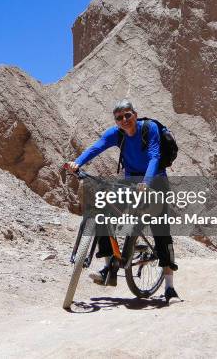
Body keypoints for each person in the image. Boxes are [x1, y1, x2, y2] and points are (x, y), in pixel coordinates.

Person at [65, 99, 180, 303]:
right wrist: (77, 162)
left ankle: (169, 286)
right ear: (116, 121)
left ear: (135, 114)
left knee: (161, 231)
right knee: (103, 207)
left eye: (128, 115)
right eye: (119, 118)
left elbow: (154, 156)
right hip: (131, 181)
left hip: (156, 179)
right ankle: (109, 267)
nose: (124, 120)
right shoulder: (116, 134)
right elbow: (96, 147)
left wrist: (146, 182)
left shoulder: (149, 128)